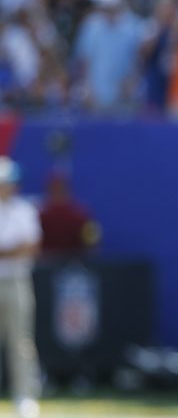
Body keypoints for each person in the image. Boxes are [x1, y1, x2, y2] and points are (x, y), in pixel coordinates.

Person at [0, 156, 42, 418]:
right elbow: (19, 247)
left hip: (16, 282)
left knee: (21, 340)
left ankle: (25, 395)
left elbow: (30, 247)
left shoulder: (25, 210)